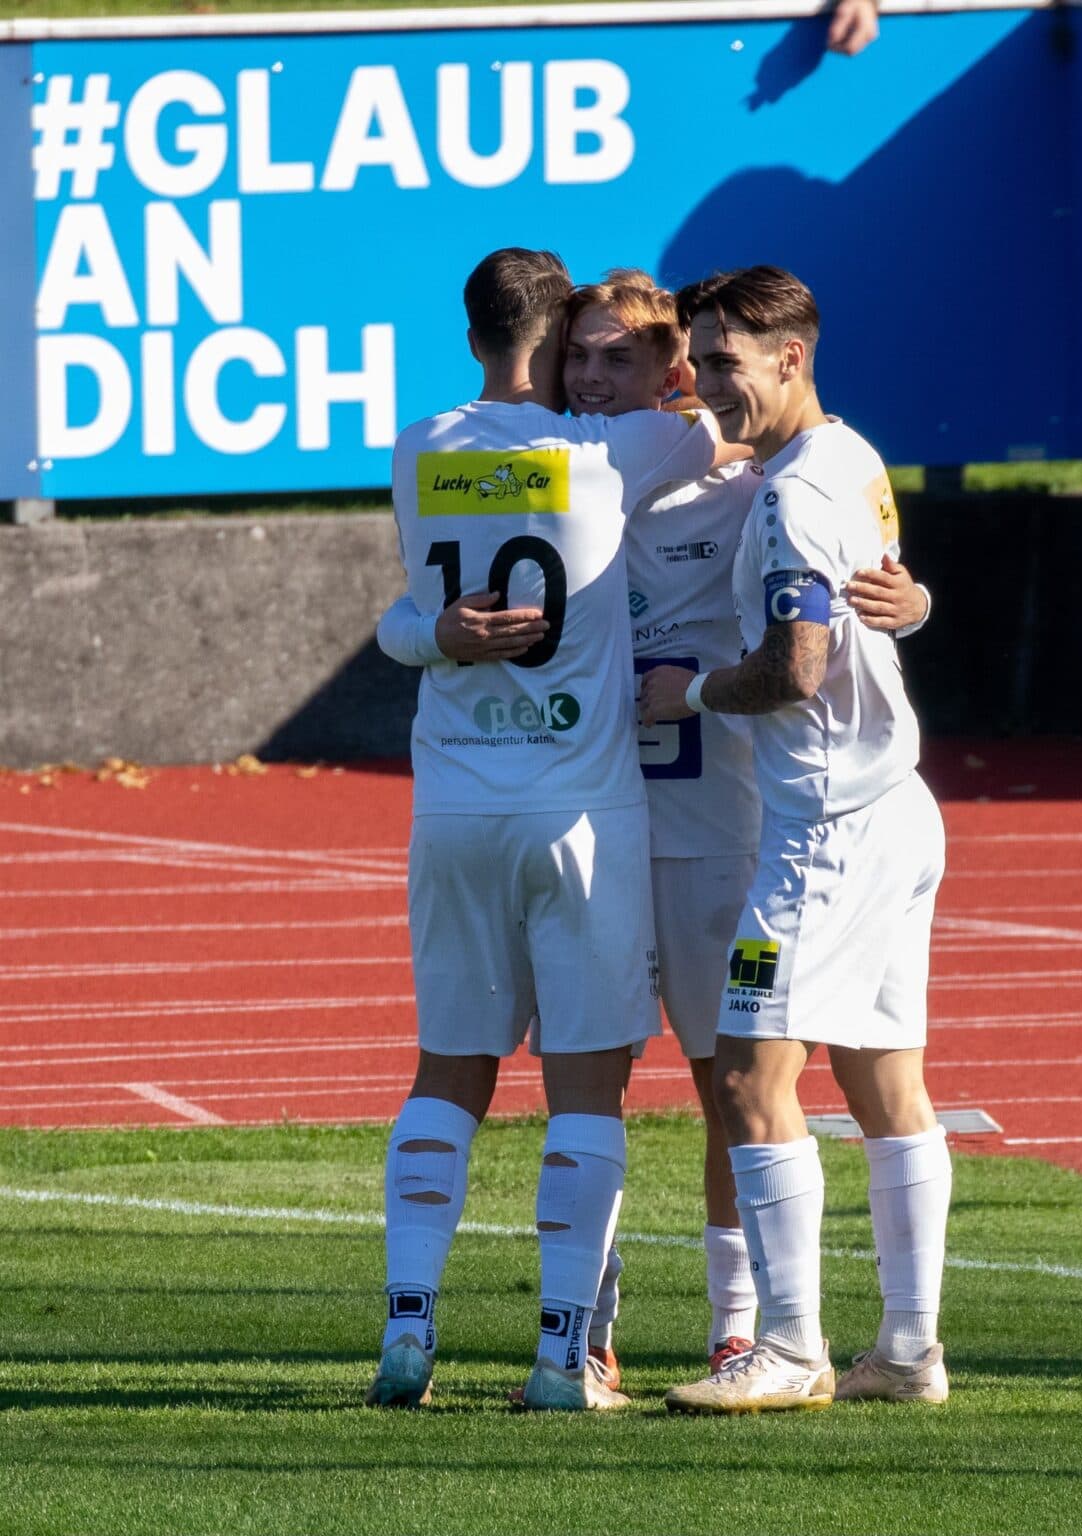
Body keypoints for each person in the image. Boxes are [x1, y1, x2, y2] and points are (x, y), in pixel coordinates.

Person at [367, 246, 727, 1413]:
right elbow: (707, 425)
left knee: (445, 1076)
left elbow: (408, 622)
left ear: (470, 331)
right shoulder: (614, 449)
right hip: (579, 808)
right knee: (586, 1090)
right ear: (557, 331)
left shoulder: (419, 449)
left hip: (455, 804)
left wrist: (434, 639)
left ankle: (409, 1329)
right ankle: (567, 1355)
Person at [556, 272, 932, 1387]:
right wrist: (916, 606)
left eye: (624, 358)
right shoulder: (833, 456)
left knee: (743, 1080)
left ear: (788, 361)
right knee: (876, 1082)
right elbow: (865, 585)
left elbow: (799, 661)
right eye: (575, 354)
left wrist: (694, 689)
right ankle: (905, 1345)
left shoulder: (770, 490)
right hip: (841, 811)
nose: (590, 376)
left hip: (794, 829)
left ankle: (773, 1339)